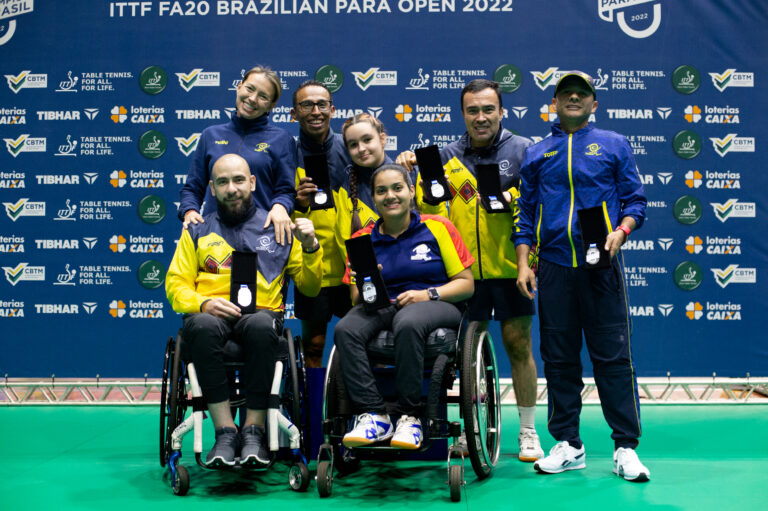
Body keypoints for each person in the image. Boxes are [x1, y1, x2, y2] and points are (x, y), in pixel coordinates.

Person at [396, 79, 543, 461]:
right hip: (464, 275)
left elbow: (537, 204)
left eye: (488, 109)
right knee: (463, 356)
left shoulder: (524, 149)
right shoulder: (445, 155)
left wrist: (510, 200)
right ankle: (467, 429)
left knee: (518, 346)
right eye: (473, 111)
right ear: (463, 114)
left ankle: (528, 430)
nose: (481, 118)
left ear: (501, 111)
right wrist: (413, 170)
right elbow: (429, 214)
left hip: (510, 268)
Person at [514, 71, 650, 482]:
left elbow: (636, 201)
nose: (573, 98)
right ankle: (568, 445)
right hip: (554, 266)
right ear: (553, 103)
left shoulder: (613, 144)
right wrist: (524, 263)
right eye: (565, 94)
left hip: (601, 265)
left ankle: (625, 447)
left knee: (613, 358)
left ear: (594, 104)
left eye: (582, 94)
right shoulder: (537, 152)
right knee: (559, 359)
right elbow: (524, 214)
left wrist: (621, 231)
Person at [165, 153, 323, 467]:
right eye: (222, 182)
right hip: (211, 315)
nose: (232, 188)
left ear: (251, 182)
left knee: (263, 327)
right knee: (201, 327)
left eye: (239, 180)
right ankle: (225, 431)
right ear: (211, 188)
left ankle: (254, 430)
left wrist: (310, 247)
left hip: (262, 313)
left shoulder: (277, 227)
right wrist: (204, 303)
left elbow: (310, 287)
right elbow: (175, 284)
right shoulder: (196, 229)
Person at [334, 164, 474, 450]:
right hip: (383, 305)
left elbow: (466, 284)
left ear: (411, 191)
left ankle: (410, 416)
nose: (390, 196)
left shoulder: (437, 227)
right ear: (373, 199)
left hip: (438, 304)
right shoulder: (361, 239)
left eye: (397, 188)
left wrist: (428, 294)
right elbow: (355, 298)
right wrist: (370, 281)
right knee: (346, 328)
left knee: (408, 321)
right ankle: (375, 415)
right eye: (382, 191)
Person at [178, 66, 297, 246]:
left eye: (263, 96)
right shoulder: (210, 135)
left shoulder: (282, 139)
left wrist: (280, 206)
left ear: (272, 105)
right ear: (239, 87)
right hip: (213, 240)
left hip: (262, 240)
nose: (252, 98)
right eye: (249, 89)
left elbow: (286, 190)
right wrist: (189, 211)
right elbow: (193, 189)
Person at [291, 80, 352, 368]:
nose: (315, 111)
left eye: (322, 104)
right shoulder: (284, 153)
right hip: (311, 263)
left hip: (353, 264)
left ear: (333, 109)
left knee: (360, 342)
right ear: (294, 113)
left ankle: (359, 410)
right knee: (313, 347)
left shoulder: (352, 145)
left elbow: (383, 181)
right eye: (306, 105)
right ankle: (314, 412)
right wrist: (298, 203)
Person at [336, 113, 445, 266]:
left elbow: (438, 226)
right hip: (375, 280)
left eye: (367, 140)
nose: (361, 149)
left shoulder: (410, 171)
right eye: (353, 144)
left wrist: (432, 198)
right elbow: (344, 243)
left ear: (382, 139)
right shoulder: (347, 186)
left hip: (418, 274)